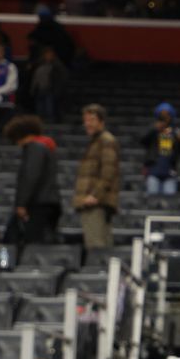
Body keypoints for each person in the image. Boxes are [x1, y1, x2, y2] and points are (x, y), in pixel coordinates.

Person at [4, 114, 61, 246]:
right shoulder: (46, 147)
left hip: (37, 204)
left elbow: (30, 176)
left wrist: (21, 204)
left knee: (27, 242)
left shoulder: (35, 148)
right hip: (49, 202)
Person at [74, 104, 121, 250]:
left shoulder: (106, 140)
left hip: (96, 203)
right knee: (98, 246)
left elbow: (108, 172)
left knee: (96, 248)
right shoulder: (96, 141)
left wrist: (94, 196)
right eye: (86, 120)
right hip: (93, 202)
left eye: (92, 120)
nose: (88, 123)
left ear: (101, 121)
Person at [139, 103, 180, 195]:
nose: (165, 118)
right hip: (153, 172)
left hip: (170, 173)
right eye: (162, 116)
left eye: (167, 115)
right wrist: (154, 129)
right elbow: (142, 141)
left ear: (171, 116)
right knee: (152, 201)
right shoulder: (153, 130)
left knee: (169, 204)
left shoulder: (176, 132)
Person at [29, 46, 68, 123]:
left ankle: (50, 120)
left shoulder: (57, 65)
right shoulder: (38, 64)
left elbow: (61, 78)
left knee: (49, 106)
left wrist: (57, 89)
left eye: (50, 54)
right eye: (46, 54)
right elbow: (34, 78)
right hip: (39, 88)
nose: (48, 56)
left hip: (50, 89)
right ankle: (40, 119)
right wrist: (33, 88)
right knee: (39, 106)